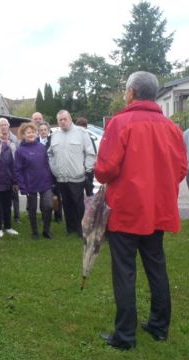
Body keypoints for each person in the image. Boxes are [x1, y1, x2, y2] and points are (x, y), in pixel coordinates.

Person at [95, 71, 187, 350]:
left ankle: (125, 335)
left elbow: (105, 169)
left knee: (124, 271)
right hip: (157, 209)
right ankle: (159, 327)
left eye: (125, 90)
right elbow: (182, 168)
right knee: (156, 267)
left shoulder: (120, 123)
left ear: (132, 92)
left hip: (126, 210)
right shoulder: (170, 127)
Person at [48, 110, 96, 237]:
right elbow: (50, 154)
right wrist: (54, 169)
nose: (63, 122)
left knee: (78, 204)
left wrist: (87, 169)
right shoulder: (55, 135)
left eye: (65, 119)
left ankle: (81, 229)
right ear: (57, 121)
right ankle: (71, 229)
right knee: (67, 204)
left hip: (77, 176)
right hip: (61, 177)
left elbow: (90, 153)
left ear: (70, 119)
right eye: (60, 120)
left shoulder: (81, 133)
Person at [14, 123, 53, 240]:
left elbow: (46, 164)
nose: (31, 134)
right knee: (32, 209)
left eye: (33, 132)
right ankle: (35, 232)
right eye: (28, 132)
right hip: (30, 184)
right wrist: (22, 187)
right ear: (23, 135)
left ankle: (46, 230)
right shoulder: (20, 151)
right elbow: (18, 170)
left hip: (45, 182)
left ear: (36, 133)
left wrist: (51, 180)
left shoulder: (41, 147)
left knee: (48, 206)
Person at [0, 117, 20, 223]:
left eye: (5, 124)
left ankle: (17, 217)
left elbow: (19, 154)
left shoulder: (15, 139)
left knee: (15, 194)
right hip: (1, 172)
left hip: (14, 169)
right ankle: (5, 216)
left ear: (8, 126)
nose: (4, 127)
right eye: (1, 125)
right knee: (4, 196)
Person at [75, 117, 96, 196]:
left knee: (89, 190)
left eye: (83, 127)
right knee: (78, 192)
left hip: (88, 169)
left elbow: (93, 154)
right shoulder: (73, 139)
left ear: (86, 127)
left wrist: (88, 168)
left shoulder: (90, 139)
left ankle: (90, 206)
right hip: (77, 169)